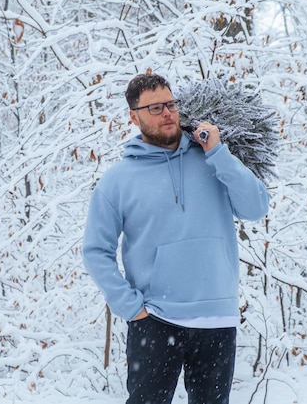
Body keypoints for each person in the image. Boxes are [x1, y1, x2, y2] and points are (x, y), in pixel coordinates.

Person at [82, 73, 269, 404]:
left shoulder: (213, 159)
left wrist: (218, 152)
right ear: (134, 116)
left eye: (170, 104)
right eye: (155, 107)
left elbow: (255, 208)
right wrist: (131, 307)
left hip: (217, 317)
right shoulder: (117, 181)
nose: (167, 113)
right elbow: (96, 250)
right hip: (155, 319)